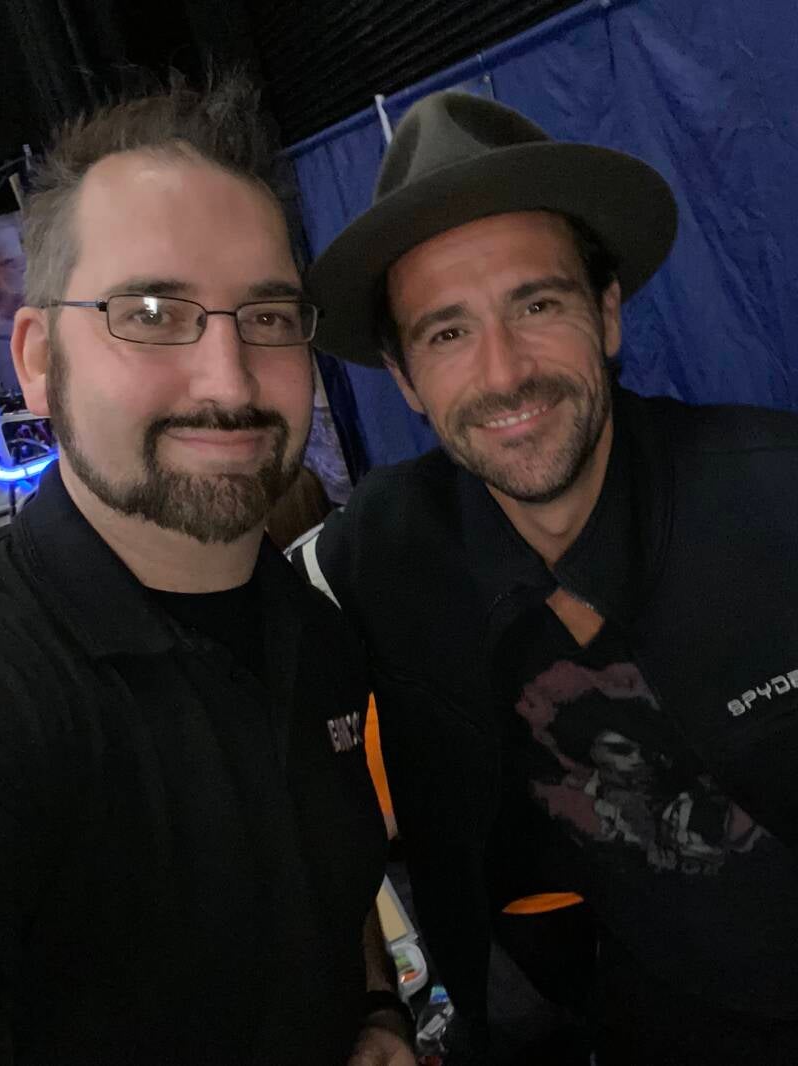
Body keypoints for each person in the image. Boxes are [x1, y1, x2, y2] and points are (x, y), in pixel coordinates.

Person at [291, 91, 798, 1064]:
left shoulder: (776, 498)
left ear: (606, 313)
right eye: (446, 333)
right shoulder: (382, 549)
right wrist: (371, 1000)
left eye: (537, 304)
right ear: (404, 380)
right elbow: (247, 716)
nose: (503, 372)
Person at [0, 74, 417, 1066]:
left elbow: (328, 872)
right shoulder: (20, 695)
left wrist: (374, 1008)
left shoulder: (315, 634)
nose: (229, 382)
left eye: (267, 317)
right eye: (151, 310)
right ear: (39, 359)